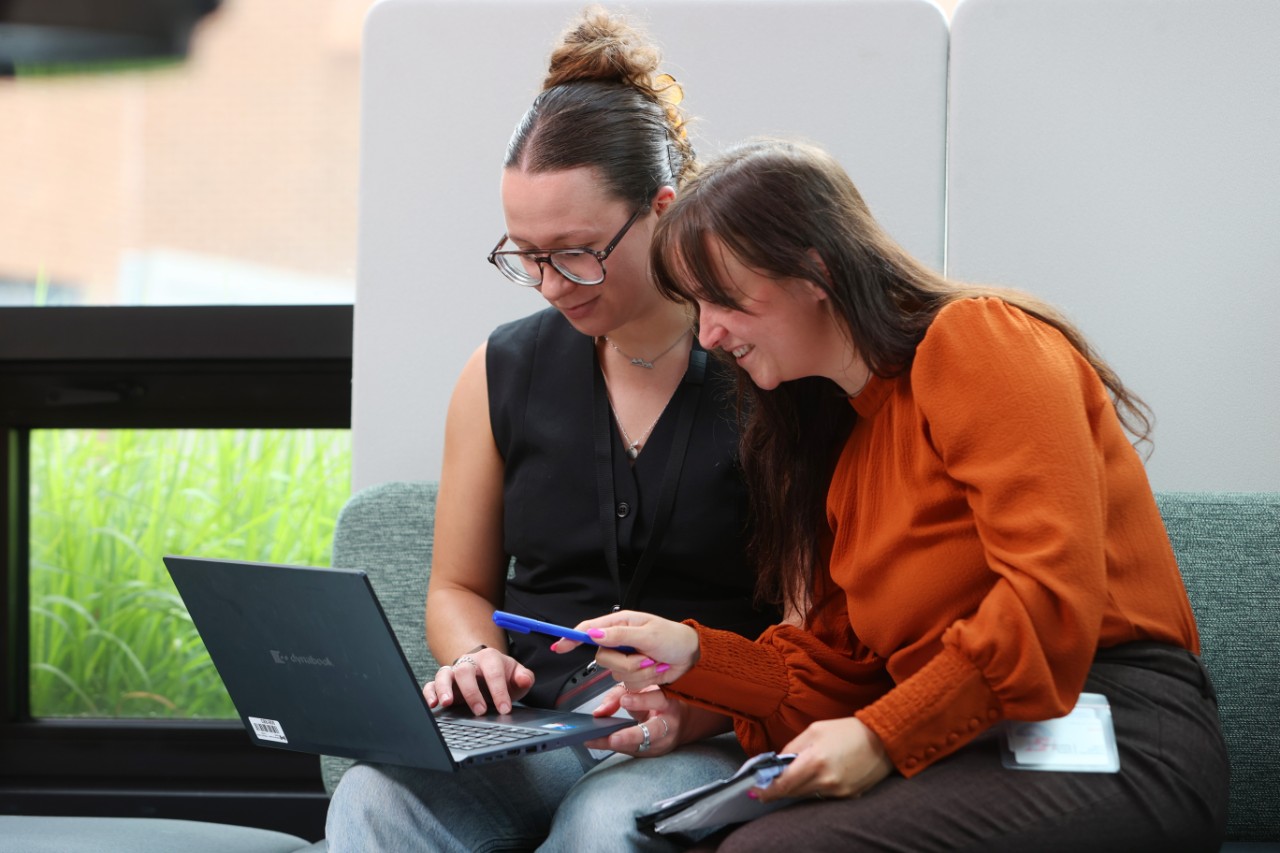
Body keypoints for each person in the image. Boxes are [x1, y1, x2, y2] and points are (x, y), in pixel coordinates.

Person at [562, 139, 1231, 852]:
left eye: (723, 298)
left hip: (1111, 730)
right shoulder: (846, 451)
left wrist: (882, 736)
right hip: (975, 740)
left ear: (814, 270)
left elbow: (1048, 597)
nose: (710, 333)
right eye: (696, 305)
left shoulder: (978, 339)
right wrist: (696, 653)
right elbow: (837, 675)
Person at [324, 9, 778, 852]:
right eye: (525, 255)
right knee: (375, 798)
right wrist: (473, 658)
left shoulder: (768, 372)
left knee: (607, 822)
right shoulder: (498, 371)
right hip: (537, 725)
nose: (549, 285)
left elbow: (815, 627)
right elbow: (458, 589)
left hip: (701, 724)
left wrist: (705, 702)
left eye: (575, 252)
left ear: (661, 211)